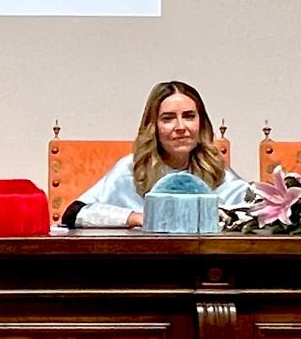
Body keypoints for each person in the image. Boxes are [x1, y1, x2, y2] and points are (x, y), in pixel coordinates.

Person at [64, 80, 249, 229]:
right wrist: (136, 218)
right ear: (153, 127)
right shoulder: (131, 169)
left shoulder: (215, 169)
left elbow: (255, 210)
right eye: (168, 118)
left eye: (189, 116)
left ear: (201, 124)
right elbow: (75, 213)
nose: (180, 127)